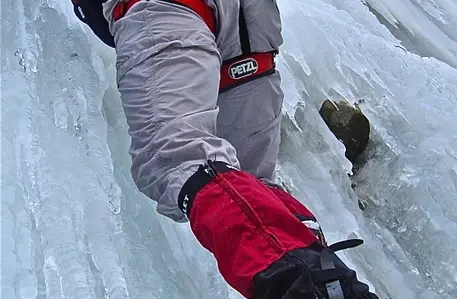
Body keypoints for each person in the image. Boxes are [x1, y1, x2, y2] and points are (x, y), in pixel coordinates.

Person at [71, 0, 380, 298]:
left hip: (167, 13)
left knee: (179, 158)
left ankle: (312, 290)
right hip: (250, 27)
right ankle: (329, 281)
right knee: (250, 189)